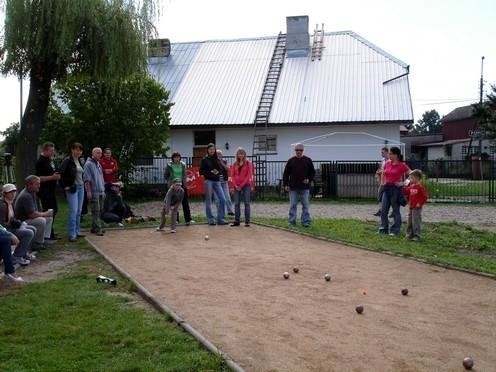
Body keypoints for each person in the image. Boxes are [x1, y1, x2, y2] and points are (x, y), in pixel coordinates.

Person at [14, 175, 54, 251]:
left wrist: (45, 214)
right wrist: (46, 213)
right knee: (41, 220)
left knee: (48, 219)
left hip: (28, 218)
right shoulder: (26, 196)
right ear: (29, 185)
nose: (39, 186)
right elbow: (32, 215)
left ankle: (44, 239)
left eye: (39, 183)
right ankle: (37, 243)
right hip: (22, 221)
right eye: (37, 184)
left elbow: (35, 210)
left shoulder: (32, 192)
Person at [0, 183, 36, 265]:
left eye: (14, 192)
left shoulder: (10, 202)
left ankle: (23, 253)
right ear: (5, 193)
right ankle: (16, 257)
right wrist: (13, 225)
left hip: (10, 227)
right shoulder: (2, 205)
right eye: (10, 192)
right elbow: (2, 224)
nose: (13, 194)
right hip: (5, 231)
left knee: (32, 228)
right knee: (28, 233)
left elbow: (12, 218)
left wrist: (18, 223)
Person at [379, 146, 411, 236]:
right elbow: (383, 173)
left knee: (395, 211)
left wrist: (403, 183)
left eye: (391, 154)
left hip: (396, 190)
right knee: (383, 210)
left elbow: (412, 174)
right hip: (387, 188)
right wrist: (382, 182)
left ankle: (394, 230)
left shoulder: (402, 165)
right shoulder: (387, 163)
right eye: (389, 153)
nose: (389, 155)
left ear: (396, 155)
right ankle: (383, 229)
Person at [282, 143, 316, 227]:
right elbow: (286, 174)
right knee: (293, 205)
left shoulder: (308, 160)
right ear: (295, 151)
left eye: (300, 150)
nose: (299, 152)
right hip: (293, 188)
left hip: (305, 188)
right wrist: (285, 184)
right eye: (297, 150)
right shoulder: (291, 161)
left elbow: (312, 172)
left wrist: (308, 179)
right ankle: (292, 222)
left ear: (303, 151)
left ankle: (305, 222)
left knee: (305, 205)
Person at [59, 142, 86, 242]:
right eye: (76, 150)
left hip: (81, 187)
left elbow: (81, 174)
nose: (78, 152)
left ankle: (77, 230)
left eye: (80, 150)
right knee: (73, 211)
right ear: (72, 150)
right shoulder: (67, 161)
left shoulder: (80, 161)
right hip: (72, 188)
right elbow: (59, 174)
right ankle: (71, 234)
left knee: (79, 211)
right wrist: (64, 186)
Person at [35, 141, 61, 239]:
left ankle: (49, 231)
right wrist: (52, 177)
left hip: (51, 189)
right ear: (44, 150)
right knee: (48, 210)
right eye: (51, 150)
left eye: (53, 150)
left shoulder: (49, 160)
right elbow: (38, 177)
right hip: (44, 190)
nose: (52, 152)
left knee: (54, 210)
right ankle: (46, 234)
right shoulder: (40, 162)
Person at [199, 143, 227, 225]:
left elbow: (221, 170)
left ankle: (220, 219)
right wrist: (210, 172)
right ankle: (210, 219)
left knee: (222, 199)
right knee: (209, 200)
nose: (212, 150)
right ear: (207, 150)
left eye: (213, 149)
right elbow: (201, 171)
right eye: (210, 149)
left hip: (217, 181)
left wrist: (217, 172)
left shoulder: (217, 159)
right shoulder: (204, 159)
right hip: (208, 181)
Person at [164, 151, 194, 225]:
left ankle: (188, 219)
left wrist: (184, 184)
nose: (177, 159)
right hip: (173, 187)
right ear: (173, 158)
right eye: (175, 157)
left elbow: (184, 175)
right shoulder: (169, 165)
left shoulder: (183, 165)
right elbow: (165, 175)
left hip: (182, 186)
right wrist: (171, 182)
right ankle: (176, 220)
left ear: (180, 158)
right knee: (174, 203)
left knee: (185, 203)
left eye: (178, 157)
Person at [83, 147, 106, 236]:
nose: (100, 155)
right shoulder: (88, 164)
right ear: (93, 154)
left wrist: (103, 190)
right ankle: (98, 228)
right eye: (97, 153)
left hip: (100, 190)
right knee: (95, 210)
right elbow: (87, 179)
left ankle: (94, 227)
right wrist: (88, 191)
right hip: (94, 191)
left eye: (100, 153)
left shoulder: (98, 164)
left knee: (100, 210)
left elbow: (101, 178)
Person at [230, 147, 253, 227]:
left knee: (247, 203)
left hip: (246, 185)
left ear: (244, 155)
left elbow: (249, 175)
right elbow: (232, 175)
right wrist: (236, 185)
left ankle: (247, 221)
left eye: (242, 154)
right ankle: (237, 221)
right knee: (236, 203)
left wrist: (241, 185)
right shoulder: (234, 164)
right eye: (239, 154)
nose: (240, 155)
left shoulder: (248, 163)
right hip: (236, 186)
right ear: (237, 155)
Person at [403, 169, 429, 241]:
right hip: (411, 206)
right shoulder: (411, 186)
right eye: (409, 178)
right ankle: (409, 234)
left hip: (417, 207)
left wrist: (419, 203)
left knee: (416, 221)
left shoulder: (420, 187)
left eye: (411, 178)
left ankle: (416, 235)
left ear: (417, 178)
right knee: (409, 221)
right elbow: (405, 192)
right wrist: (405, 185)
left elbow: (425, 197)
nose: (410, 179)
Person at [216, 149, 234, 216]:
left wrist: (222, 163)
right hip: (216, 183)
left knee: (227, 197)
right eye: (217, 154)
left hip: (224, 183)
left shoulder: (224, 161)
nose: (219, 155)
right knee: (218, 199)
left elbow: (228, 169)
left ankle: (230, 211)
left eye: (220, 154)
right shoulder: (213, 162)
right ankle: (220, 212)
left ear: (222, 155)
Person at [373, 146, 389, 216]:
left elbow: (388, 170)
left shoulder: (389, 161)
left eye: (383, 152)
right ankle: (381, 210)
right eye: (381, 152)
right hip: (382, 181)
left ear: (387, 152)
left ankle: (383, 211)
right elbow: (380, 168)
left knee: (385, 197)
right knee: (380, 196)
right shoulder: (382, 160)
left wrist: (381, 171)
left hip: (388, 181)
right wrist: (378, 172)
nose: (382, 154)